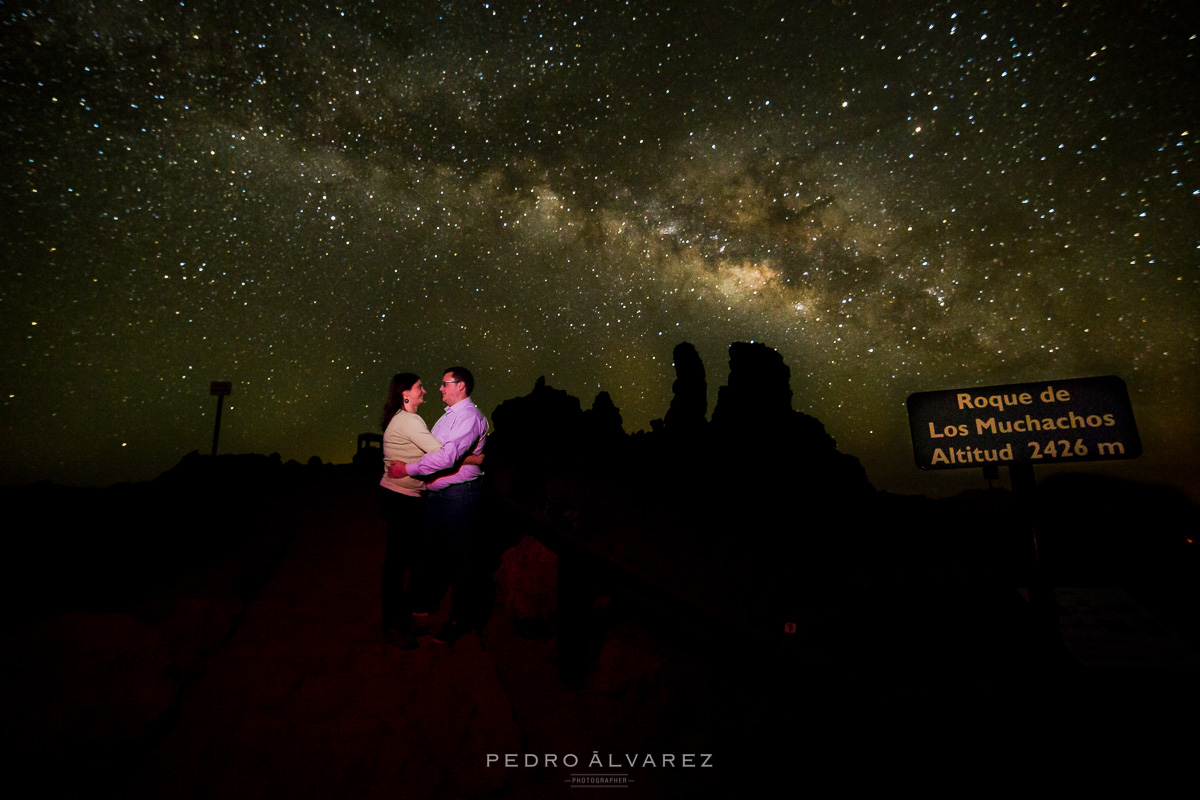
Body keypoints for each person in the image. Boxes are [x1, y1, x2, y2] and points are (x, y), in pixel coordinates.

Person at [377, 372, 481, 650]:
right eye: (419, 387)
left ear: (460, 386)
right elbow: (441, 453)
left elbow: (440, 455)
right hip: (402, 497)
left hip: (407, 496)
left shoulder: (420, 419)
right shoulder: (411, 420)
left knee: (408, 560)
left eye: (440, 384)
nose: (427, 390)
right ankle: (392, 624)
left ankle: (401, 619)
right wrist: (477, 457)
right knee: (398, 564)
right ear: (405, 394)